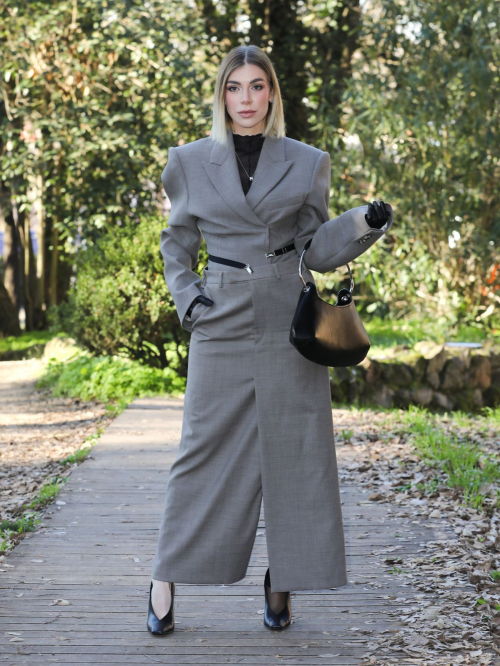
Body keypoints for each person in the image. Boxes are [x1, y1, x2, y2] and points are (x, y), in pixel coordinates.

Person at [147, 44, 393, 635]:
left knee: (297, 451)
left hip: (289, 313)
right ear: (221, 96)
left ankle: (281, 581)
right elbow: (175, 245)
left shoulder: (308, 161)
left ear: (273, 94)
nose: (247, 99)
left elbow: (317, 248)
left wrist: (364, 224)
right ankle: (163, 576)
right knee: (200, 451)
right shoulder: (187, 161)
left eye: (258, 87)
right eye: (235, 88)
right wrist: (192, 300)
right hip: (220, 313)